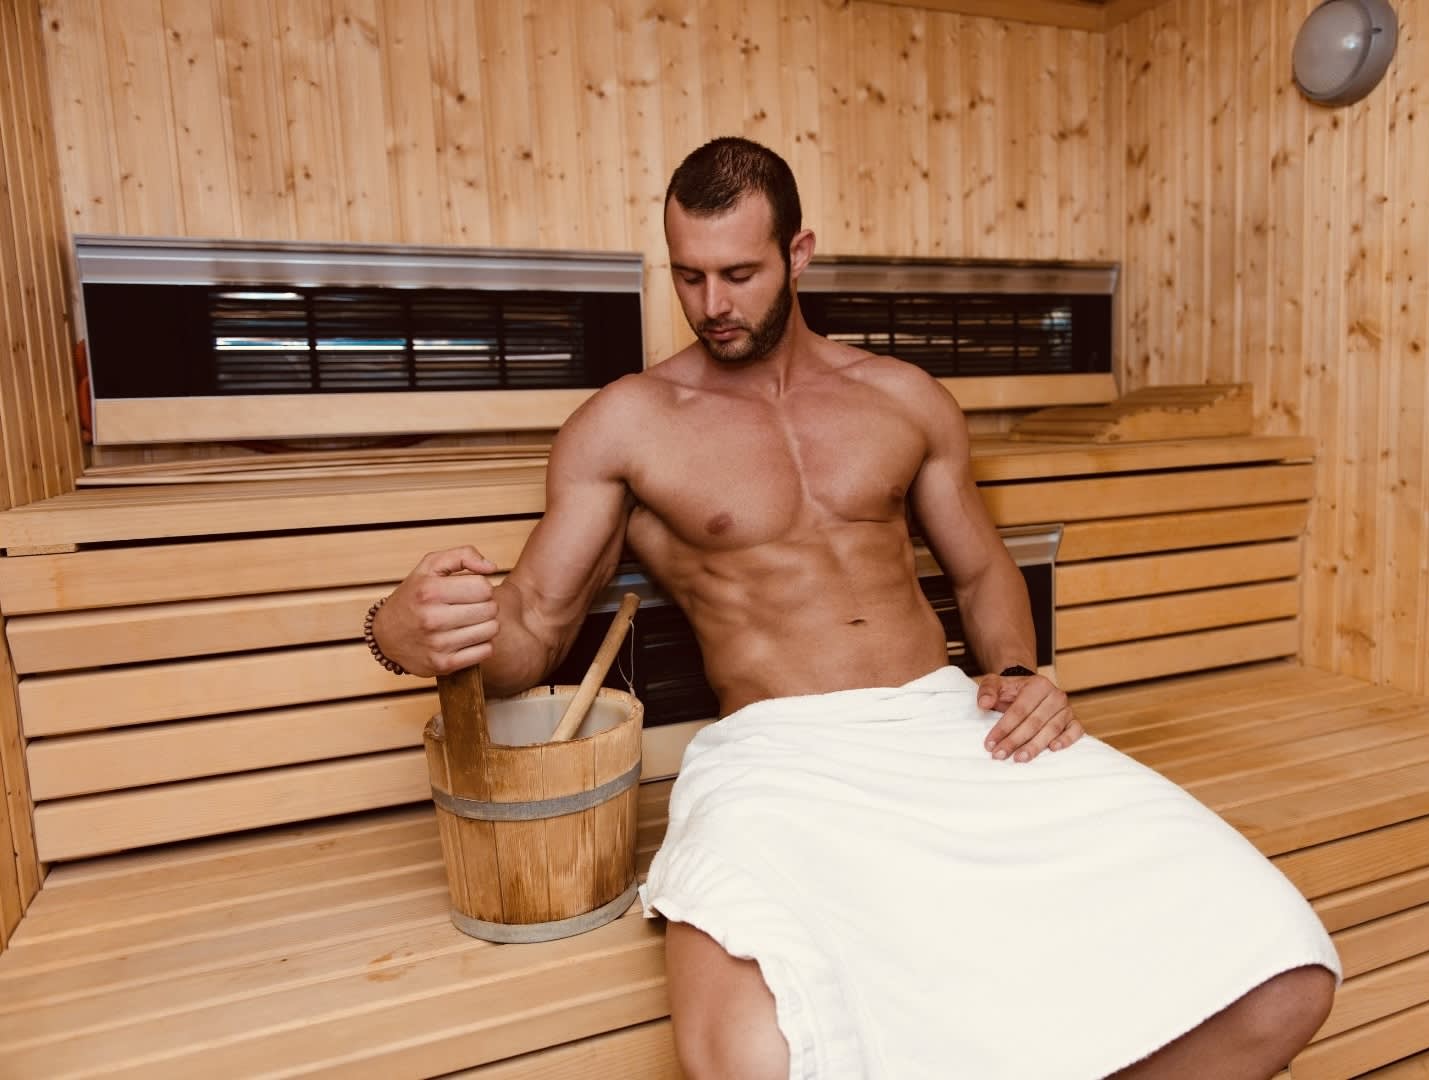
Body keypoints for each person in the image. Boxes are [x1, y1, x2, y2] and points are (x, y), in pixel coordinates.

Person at [370, 137, 1340, 1080]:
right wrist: (406, 637)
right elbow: (534, 630)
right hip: (776, 756)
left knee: (1281, 973)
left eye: (739, 274)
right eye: (689, 276)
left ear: (798, 254)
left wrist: (1017, 672)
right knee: (746, 1062)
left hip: (950, 724)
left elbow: (982, 572)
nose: (712, 305)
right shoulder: (627, 422)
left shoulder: (903, 398)